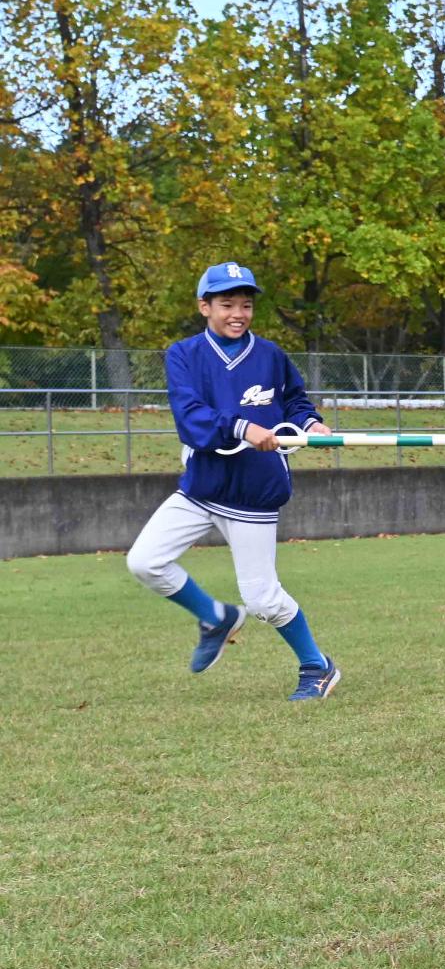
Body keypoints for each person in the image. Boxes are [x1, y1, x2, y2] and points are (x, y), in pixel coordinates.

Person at [125, 262, 341, 700]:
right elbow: (190, 417)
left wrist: (310, 423)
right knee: (145, 562)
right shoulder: (183, 355)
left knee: (263, 600)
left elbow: (294, 401)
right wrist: (243, 428)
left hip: (253, 492)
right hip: (202, 486)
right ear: (204, 307)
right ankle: (216, 617)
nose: (238, 314)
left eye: (245, 305)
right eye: (227, 304)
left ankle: (317, 666)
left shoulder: (271, 355)